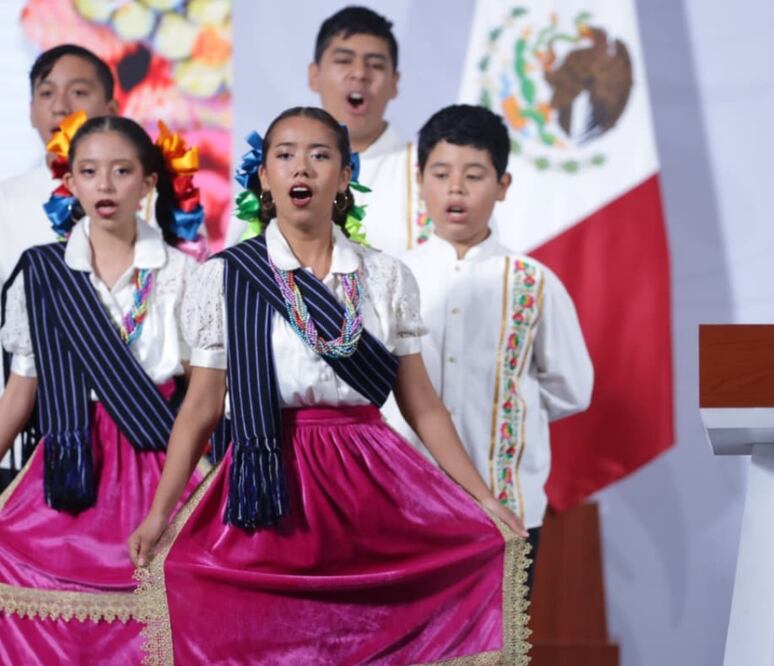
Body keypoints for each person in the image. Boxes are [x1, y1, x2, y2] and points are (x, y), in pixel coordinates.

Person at [128, 107, 530, 664]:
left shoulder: (383, 277)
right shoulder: (225, 277)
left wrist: (482, 498)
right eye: (285, 155)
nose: (303, 168)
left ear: (344, 176)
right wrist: (159, 512)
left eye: (320, 156)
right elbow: (199, 410)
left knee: (366, 639)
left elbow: (423, 406)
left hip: (370, 482)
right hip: (267, 485)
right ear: (264, 176)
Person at [0, 114, 207, 661]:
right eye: (88, 171)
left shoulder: (182, 275)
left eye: (121, 171)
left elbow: (203, 394)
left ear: (149, 183)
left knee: (166, 602)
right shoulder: (44, 273)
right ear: (71, 183)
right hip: (70, 466)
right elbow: (21, 394)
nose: (105, 185)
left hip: (158, 462)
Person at [387, 104, 594, 592]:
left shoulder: (532, 282)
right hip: (404, 504)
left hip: (508, 506)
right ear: (420, 179)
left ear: (503, 184)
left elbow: (572, 389)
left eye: (474, 175)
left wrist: (506, 406)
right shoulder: (392, 276)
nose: (455, 188)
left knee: (497, 649)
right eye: (441, 173)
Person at [230, 6, 432, 254]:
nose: (359, 74)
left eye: (376, 65)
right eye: (344, 61)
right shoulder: (276, 168)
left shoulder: (428, 173)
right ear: (314, 75)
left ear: (394, 83)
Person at [0, 45, 118, 285]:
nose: (60, 107)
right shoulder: (5, 203)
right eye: (46, 93)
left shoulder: (153, 197)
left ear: (111, 110)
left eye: (79, 92)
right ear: (31, 112)